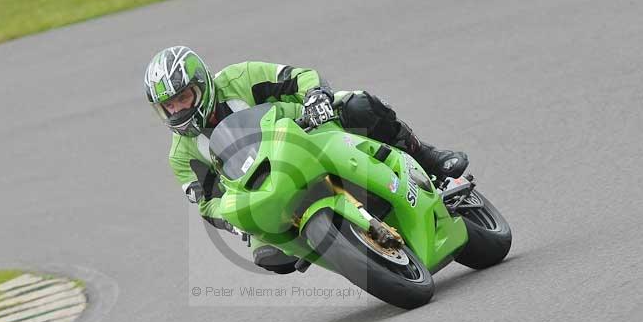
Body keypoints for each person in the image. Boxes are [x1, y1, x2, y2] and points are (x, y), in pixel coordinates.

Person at [144, 45, 468, 274]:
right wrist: (231, 221)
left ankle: (428, 157)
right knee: (271, 257)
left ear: (202, 84)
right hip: (264, 187)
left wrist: (315, 97)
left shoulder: (241, 77)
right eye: (168, 107)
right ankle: (353, 251)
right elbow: (206, 204)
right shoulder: (182, 154)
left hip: (307, 129)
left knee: (360, 107)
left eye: (183, 98)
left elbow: (301, 77)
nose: (178, 111)